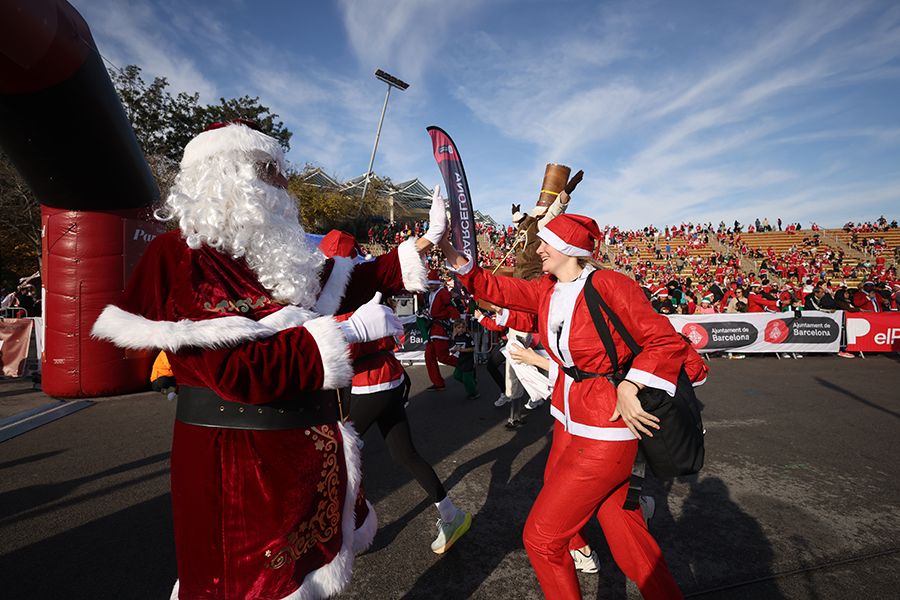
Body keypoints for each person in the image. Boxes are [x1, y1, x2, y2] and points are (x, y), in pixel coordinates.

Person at [92, 121, 445, 599]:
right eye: (269, 170)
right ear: (227, 175)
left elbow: (334, 285)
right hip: (239, 469)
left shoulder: (263, 253)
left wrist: (423, 244)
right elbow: (237, 371)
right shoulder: (183, 256)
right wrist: (350, 331)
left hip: (294, 464)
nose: (283, 183)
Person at [440, 213, 687, 599]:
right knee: (631, 544)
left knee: (540, 539)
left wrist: (631, 384)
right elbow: (495, 287)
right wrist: (450, 251)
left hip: (605, 431)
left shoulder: (609, 283)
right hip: (570, 425)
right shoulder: (549, 290)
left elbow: (666, 342)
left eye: (546, 242)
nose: (538, 248)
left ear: (571, 249)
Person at [319, 231, 472, 555]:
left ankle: (342, 533)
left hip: (369, 383)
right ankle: (451, 514)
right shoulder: (364, 288)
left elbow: (342, 347)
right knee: (404, 454)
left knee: (335, 457)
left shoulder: (349, 293)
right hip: (387, 380)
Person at [424, 269, 459, 390]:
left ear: (437, 283)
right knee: (429, 356)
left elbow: (451, 308)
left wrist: (457, 322)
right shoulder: (430, 294)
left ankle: (464, 366)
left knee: (443, 357)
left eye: (431, 283)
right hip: (433, 328)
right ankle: (438, 383)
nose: (430, 286)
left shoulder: (443, 293)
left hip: (440, 328)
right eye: (429, 284)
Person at [451, 320, 479, 399]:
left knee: (467, 378)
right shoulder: (456, 337)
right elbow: (455, 347)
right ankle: (471, 383)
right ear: (455, 328)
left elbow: (472, 348)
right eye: (459, 327)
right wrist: (454, 350)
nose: (461, 329)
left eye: (463, 327)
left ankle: (473, 393)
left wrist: (462, 350)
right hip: (460, 360)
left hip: (468, 360)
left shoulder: (467, 337)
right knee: (457, 375)